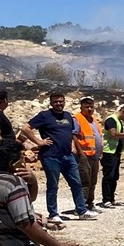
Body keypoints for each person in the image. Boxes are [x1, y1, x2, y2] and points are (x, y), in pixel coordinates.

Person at [22, 92, 97, 223]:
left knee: (76, 183)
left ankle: (82, 210)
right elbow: (25, 128)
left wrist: (73, 145)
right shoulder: (44, 116)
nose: (58, 104)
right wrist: (39, 142)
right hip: (51, 156)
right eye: (55, 101)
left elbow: (71, 133)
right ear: (51, 103)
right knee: (53, 185)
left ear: (64, 102)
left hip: (68, 156)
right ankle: (53, 213)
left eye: (61, 101)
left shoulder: (68, 116)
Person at [100, 104, 124, 207]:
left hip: (116, 152)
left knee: (114, 176)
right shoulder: (111, 120)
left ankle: (111, 198)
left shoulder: (119, 122)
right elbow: (113, 134)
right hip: (109, 152)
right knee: (108, 176)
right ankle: (106, 199)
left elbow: (119, 137)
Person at [74, 97, 104, 212]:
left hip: (95, 155)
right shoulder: (77, 118)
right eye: (87, 107)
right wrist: (81, 153)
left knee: (93, 181)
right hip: (84, 155)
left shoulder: (93, 119)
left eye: (91, 106)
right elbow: (74, 136)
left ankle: (90, 203)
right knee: (84, 182)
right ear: (81, 107)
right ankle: (81, 207)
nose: (90, 109)